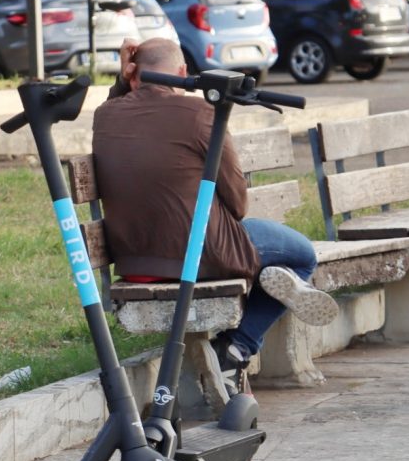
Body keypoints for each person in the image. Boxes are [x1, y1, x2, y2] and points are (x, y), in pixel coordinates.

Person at [92, 37, 337, 395]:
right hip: (201, 254)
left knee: (268, 261)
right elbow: (237, 204)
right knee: (302, 256)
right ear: (182, 72)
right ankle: (236, 348)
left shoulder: (105, 115)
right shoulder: (200, 113)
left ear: (132, 74)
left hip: (134, 262)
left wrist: (122, 79)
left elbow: (118, 103)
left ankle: (259, 296)